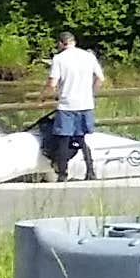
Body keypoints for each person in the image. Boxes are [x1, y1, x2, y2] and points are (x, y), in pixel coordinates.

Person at [40, 32, 104, 181]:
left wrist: (42, 97)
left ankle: (62, 174)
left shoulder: (59, 59)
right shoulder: (88, 56)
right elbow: (100, 78)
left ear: (62, 43)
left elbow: (52, 83)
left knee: (63, 139)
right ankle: (90, 171)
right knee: (81, 139)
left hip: (67, 105)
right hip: (86, 104)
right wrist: (91, 93)